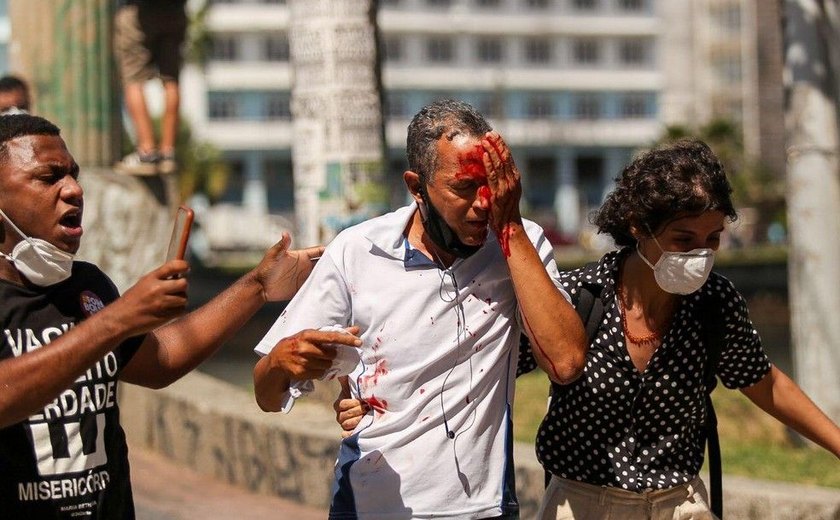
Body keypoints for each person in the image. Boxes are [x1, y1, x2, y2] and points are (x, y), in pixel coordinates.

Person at [252, 99, 587, 519]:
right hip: (372, 504)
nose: (483, 203)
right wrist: (282, 363)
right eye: (463, 188)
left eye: (491, 184)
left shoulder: (517, 243)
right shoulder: (358, 251)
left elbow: (567, 361)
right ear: (416, 187)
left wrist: (511, 227)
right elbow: (266, 394)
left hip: (484, 508)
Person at [0, 114, 341, 519]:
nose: (73, 189)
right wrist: (118, 321)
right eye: (48, 177)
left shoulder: (86, 286)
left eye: (73, 174)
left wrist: (259, 285)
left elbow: (159, 361)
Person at [523, 139, 840, 519]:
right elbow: (498, 371)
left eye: (713, 239)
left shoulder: (714, 302)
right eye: (684, 240)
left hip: (680, 504)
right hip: (580, 504)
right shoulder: (579, 297)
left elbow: (764, 382)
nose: (700, 255)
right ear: (639, 226)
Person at [113, 0, 188, 175]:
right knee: (171, 80)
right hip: (174, 10)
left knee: (133, 81)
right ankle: (168, 152)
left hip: (136, 11)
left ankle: (146, 151)